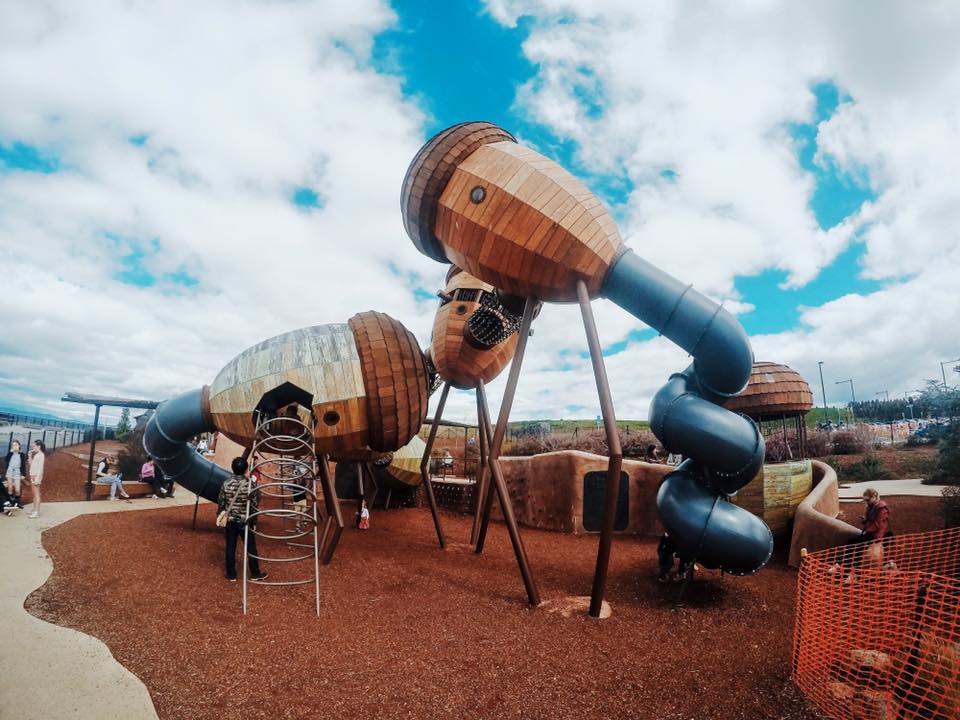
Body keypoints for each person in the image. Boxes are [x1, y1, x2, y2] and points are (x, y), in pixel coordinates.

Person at [218, 457, 267, 582]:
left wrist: (221, 515)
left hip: (230, 521)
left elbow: (221, 503)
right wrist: (254, 520)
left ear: (232, 468)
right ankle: (255, 573)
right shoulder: (251, 484)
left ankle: (231, 574)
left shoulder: (226, 483)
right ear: (246, 469)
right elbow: (254, 505)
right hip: (245, 521)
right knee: (251, 547)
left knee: (230, 547)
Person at [3, 440, 27, 509]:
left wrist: (24, 474)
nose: (14, 446)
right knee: (10, 488)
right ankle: (11, 503)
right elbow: (6, 460)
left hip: (17, 472)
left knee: (17, 490)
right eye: (13, 445)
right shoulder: (10, 453)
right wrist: (11, 452)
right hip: (10, 471)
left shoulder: (21, 454)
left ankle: (17, 502)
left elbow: (23, 465)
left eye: (16, 445)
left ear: (19, 446)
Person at [27, 440, 45, 518]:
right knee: (34, 494)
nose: (32, 447)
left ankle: (36, 512)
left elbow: (40, 469)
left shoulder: (41, 455)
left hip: (36, 477)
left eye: (34, 446)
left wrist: (37, 479)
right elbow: (31, 465)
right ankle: (34, 510)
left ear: (39, 446)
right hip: (32, 476)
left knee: (37, 494)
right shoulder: (37, 455)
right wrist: (29, 456)